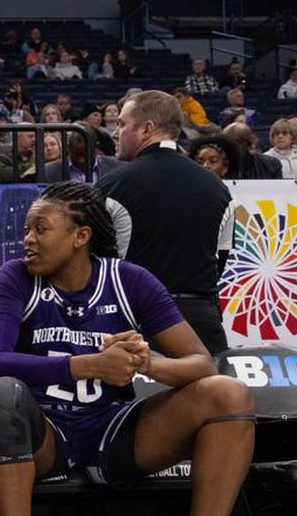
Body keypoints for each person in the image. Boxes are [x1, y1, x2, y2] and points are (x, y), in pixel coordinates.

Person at [0, 182, 265, 516]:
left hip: (115, 432)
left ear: (80, 236)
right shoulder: (16, 278)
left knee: (228, 393)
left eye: (40, 229)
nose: (27, 239)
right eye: (27, 229)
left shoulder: (130, 279)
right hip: (48, 435)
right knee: (2, 395)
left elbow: (201, 363)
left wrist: (147, 361)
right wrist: (91, 364)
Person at [98, 91, 232, 354]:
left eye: (123, 124)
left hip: (136, 323)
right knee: (213, 395)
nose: (115, 133)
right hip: (203, 327)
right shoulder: (218, 189)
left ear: (147, 128)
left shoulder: (112, 185)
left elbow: (96, 264)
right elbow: (220, 261)